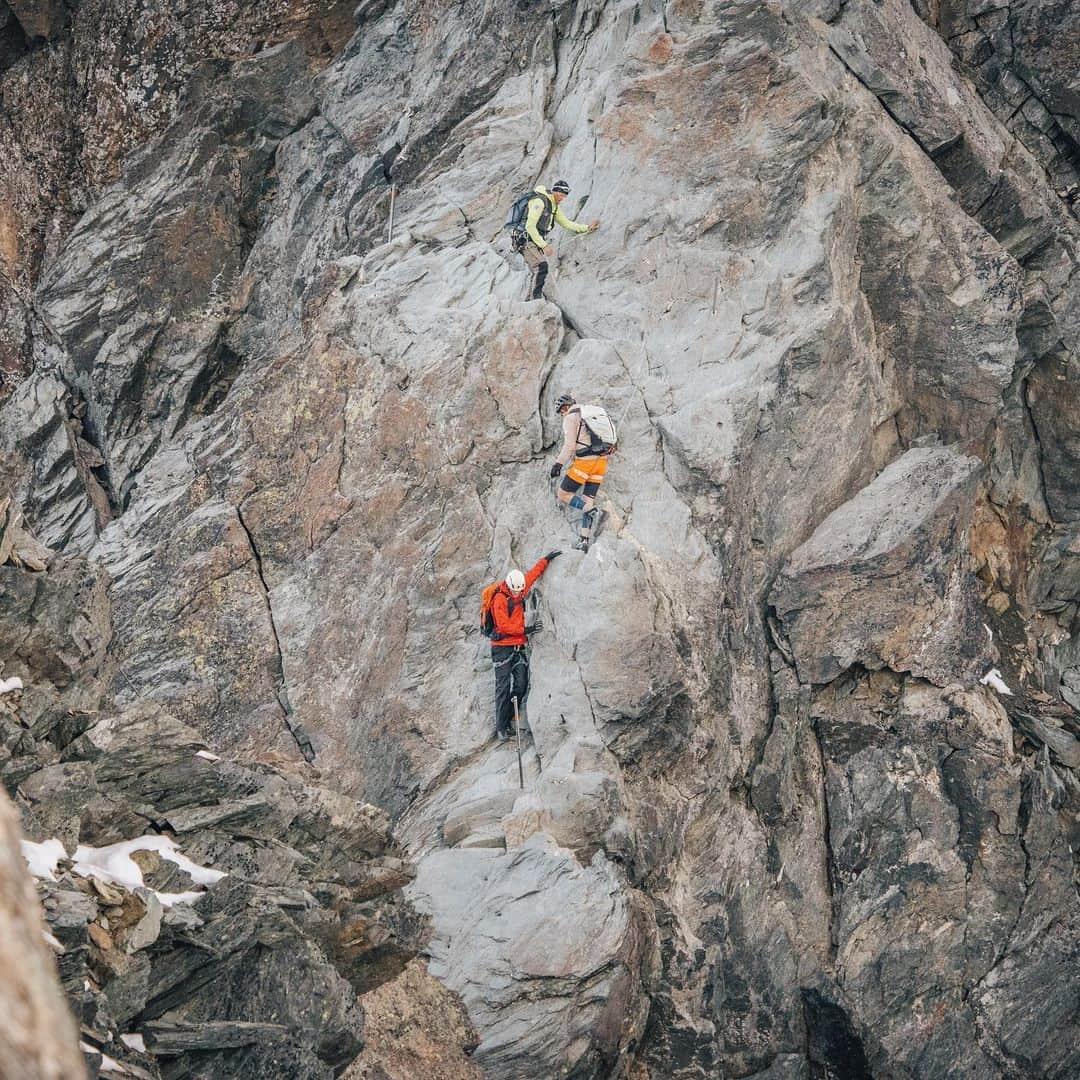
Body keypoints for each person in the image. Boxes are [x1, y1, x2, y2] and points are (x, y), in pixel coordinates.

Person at [490, 552, 561, 741]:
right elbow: (503, 626)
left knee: (521, 684)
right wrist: (526, 629)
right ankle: (501, 726)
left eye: (519, 591)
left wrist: (546, 560)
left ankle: (511, 715)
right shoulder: (499, 600)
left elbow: (532, 575)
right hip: (502, 648)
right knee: (503, 688)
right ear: (509, 586)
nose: (517, 594)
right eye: (515, 591)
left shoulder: (519, 589)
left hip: (517, 648)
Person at [509, 180, 600, 300]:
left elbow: (567, 223)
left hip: (534, 241)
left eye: (564, 196)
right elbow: (530, 226)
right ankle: (535, 299)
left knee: (539, 268)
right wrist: (544, 245)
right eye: (561, 195)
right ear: (555, 191)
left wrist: (587, 228)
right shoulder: (540, 202)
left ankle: (532, 297)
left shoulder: (553, 206)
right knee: (541, 266)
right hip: (525, 240)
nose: (562, 198)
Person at [550, 393, 614, 552]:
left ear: (564, 408)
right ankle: (584, 541)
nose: (562, 415)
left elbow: (570, 445)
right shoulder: (590, 413)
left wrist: (558, 464)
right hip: (601, 463)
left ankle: (597, 513)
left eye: (561, 412)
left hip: (585, 464)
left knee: (563, 494)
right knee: (587, 501)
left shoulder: (570, 417)